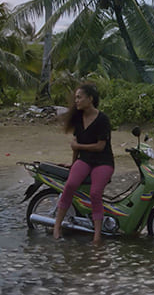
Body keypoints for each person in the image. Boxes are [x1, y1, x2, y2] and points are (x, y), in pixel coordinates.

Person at [53, 83, 114, 244]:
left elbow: (100, 146)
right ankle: (57, 227)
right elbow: (76, 143)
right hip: (84, 159)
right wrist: (73, 164)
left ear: (90, 99)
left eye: (79, 97)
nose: (77, 101)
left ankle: (97, 236)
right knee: (70, 185)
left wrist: (78, 147)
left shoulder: (102, 119)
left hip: (103, 161)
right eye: (76, 98)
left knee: (95, 193)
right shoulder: (79, 118)